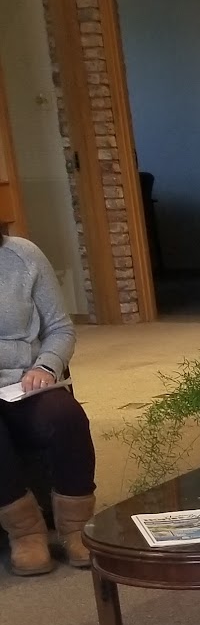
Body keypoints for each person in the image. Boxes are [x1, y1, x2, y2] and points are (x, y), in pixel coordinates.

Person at [0, 227, 93, 575]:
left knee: (66, 417)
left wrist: (46, 366)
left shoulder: (22, 254)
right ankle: (26, 534)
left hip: (24, 381)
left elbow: (60, 328)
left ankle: (76, 529)